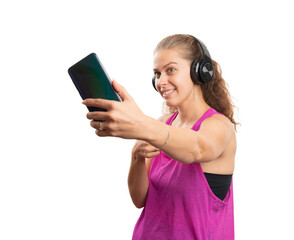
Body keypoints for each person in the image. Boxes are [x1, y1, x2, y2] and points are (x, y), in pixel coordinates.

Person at [82, 34, 239, 239]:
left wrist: (141, 124)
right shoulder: (160, 124)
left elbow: (197, 148)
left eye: (170, 70)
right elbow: (140, 199)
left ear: (199, 72)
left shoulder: (219, 126)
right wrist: (136, 158)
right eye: (157, 73)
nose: (161, 81)